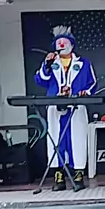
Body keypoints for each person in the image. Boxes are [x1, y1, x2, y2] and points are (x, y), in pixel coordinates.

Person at [35, 25, 97, 191]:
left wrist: (85, 92)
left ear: (72, 44)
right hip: (55, 106)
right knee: (56, 139)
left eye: (65, 42)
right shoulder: (50, 62)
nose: (62, 45)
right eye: (59, 42)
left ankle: (78, 175)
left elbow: (92, 83)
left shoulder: (83, 63)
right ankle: (59, 176)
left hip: (76, 106)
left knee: (77, 139)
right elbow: (40, 80)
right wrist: (47, 65)